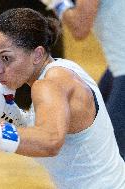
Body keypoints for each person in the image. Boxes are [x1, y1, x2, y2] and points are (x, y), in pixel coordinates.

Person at [0, 8, 125, 188]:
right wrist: (11, 118)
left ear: (37, 54)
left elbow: (50, 142)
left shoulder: (49, 86)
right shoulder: (61, 69)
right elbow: (48, 141)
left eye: (6, 58)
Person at [39, 0, 125, 159]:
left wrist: (58, 3)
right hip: (117, 67)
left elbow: (79, 27)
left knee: (112, 151)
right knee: (97, 125)